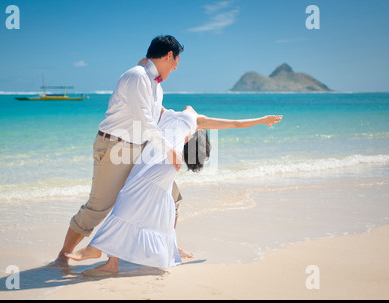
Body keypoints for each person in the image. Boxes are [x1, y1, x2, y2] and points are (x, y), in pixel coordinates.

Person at [65, 106, 282, 274]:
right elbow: (144, 103)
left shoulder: (197, 121)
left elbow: (235, 123)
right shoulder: (166, 112)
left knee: (129, 198)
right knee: (158, 207)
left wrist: (263, 120)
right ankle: (120, 260)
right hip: (149, 158)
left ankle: (102, 252)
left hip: (163, 162)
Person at [52, 35, 185, 268]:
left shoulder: (154, 84)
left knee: (171, 195)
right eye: (176, 61)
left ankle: (165, 248)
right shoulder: (137, 76)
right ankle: (63, 256)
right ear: (169, 55)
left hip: (140, 147)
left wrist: (188, 122)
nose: (176, 67)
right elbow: (145, 121)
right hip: (115, 146)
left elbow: (155, 116)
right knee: (98, 207)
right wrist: (170, 150)